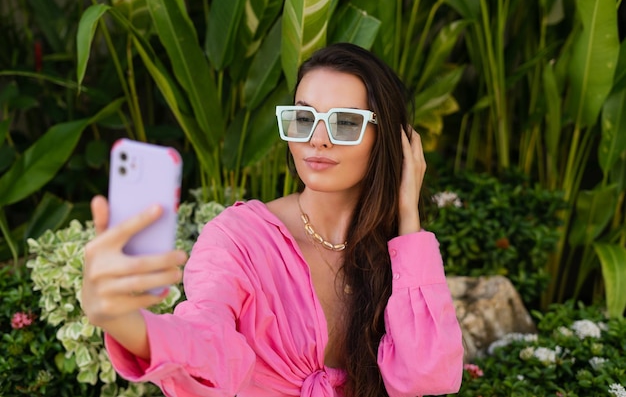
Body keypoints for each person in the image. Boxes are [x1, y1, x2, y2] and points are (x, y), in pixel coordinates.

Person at [81, 42, 464, 397]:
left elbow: (425, 376)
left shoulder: (393, 251)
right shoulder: (238, 239)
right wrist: (123, 321)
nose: (318, 139)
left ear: (388, 139)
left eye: (345, 122)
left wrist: (408, 217)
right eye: (303, 118)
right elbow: (206, 337)